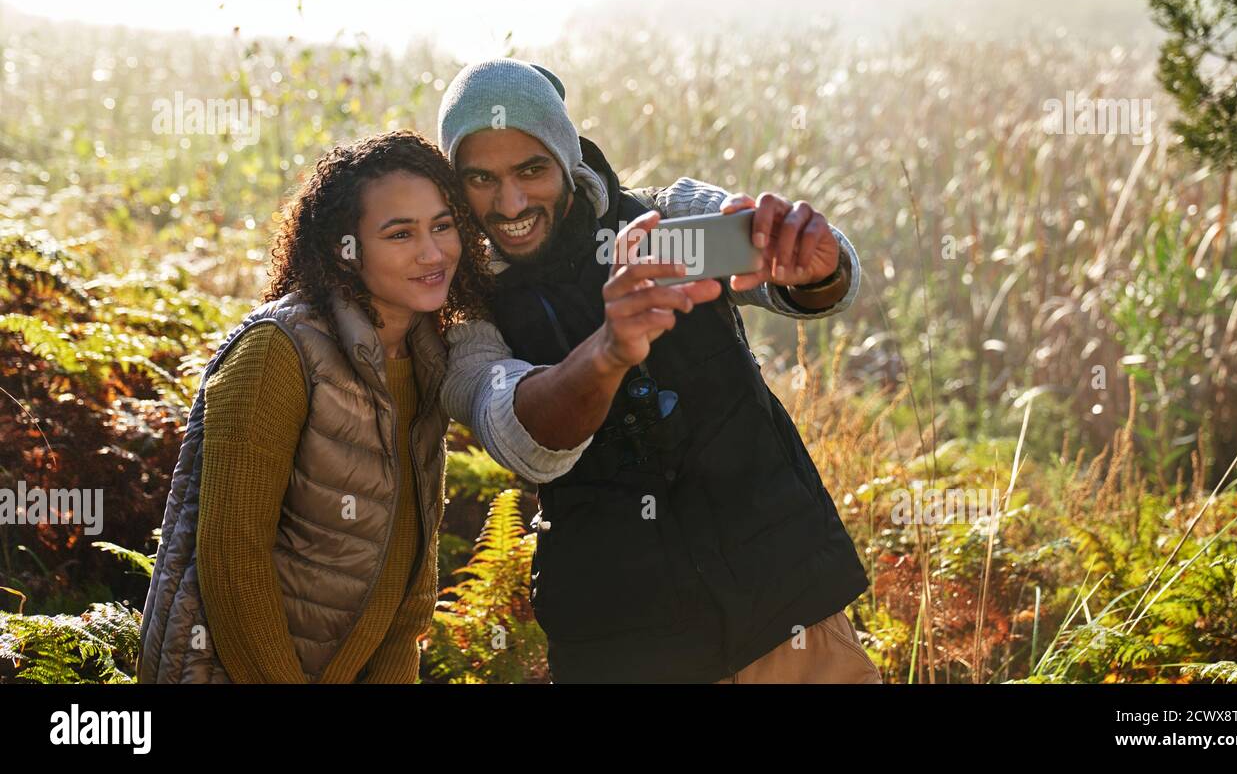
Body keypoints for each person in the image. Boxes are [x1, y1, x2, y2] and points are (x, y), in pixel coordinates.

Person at [437, 59, 882, 683]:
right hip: (624, 650)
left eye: (531, 170)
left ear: (567, 164)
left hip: (787, 617)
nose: (509, 202)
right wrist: (609, 351)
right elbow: (519, 435)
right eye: (480, 178)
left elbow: (811, 285)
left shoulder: (663, 222)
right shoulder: (470, 313)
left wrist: (813, 263)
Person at [137, 130, 493, 683]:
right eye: (400, 234)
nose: (432, 252)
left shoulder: (429, 360)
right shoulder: (277, 354)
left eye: (442, 225)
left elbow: (408, 577)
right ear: (343, 250)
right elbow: (233, 562)